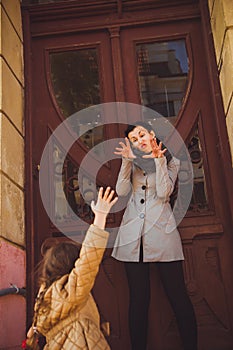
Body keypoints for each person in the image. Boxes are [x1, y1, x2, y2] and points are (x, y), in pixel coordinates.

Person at [112, 121, 197, 350]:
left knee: (178, 297)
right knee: (138, 301)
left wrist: (159, 160)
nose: (139, 140)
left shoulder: (171, 160)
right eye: (134, 139)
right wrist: (126, 161)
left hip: (162, 236)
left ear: (150, 133)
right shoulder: (132, 162)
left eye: (141, 134)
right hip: (133, 239)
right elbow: (121, 192)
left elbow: (164, 192)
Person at [25, 187, 118, 350]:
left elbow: (31, 333)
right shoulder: (69, 291)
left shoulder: (44, 295)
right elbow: (89, 258)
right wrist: (101, 217)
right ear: (72, 265)